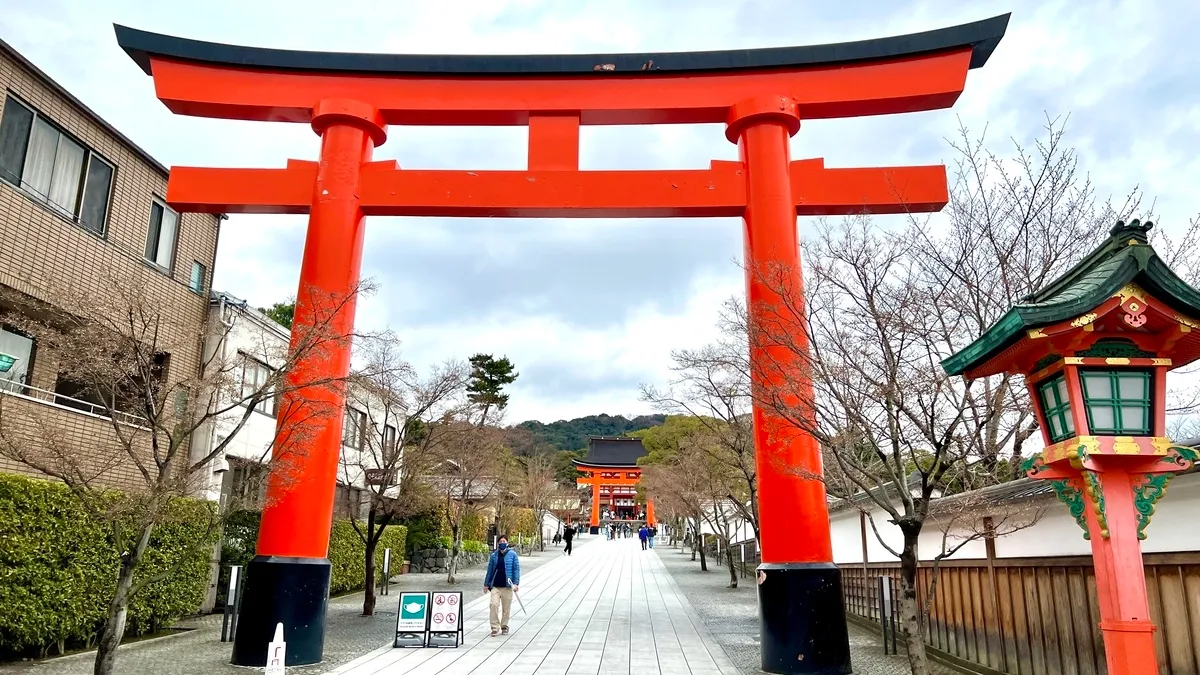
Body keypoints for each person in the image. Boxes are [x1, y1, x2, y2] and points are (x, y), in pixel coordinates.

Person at [484, 535, 521, 637]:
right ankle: (494, 627)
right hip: (495, 585)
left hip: (507, 586)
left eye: (504, 541)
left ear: (507, 543)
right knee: (493, 604)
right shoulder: (493, 556)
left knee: (506, 608)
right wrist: (486, 584)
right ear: (498, 543)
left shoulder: (513, 555)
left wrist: (516, 583)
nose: (502, 543)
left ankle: (504, 626)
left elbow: (516, 569)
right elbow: (490, 571)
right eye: (500, 541)